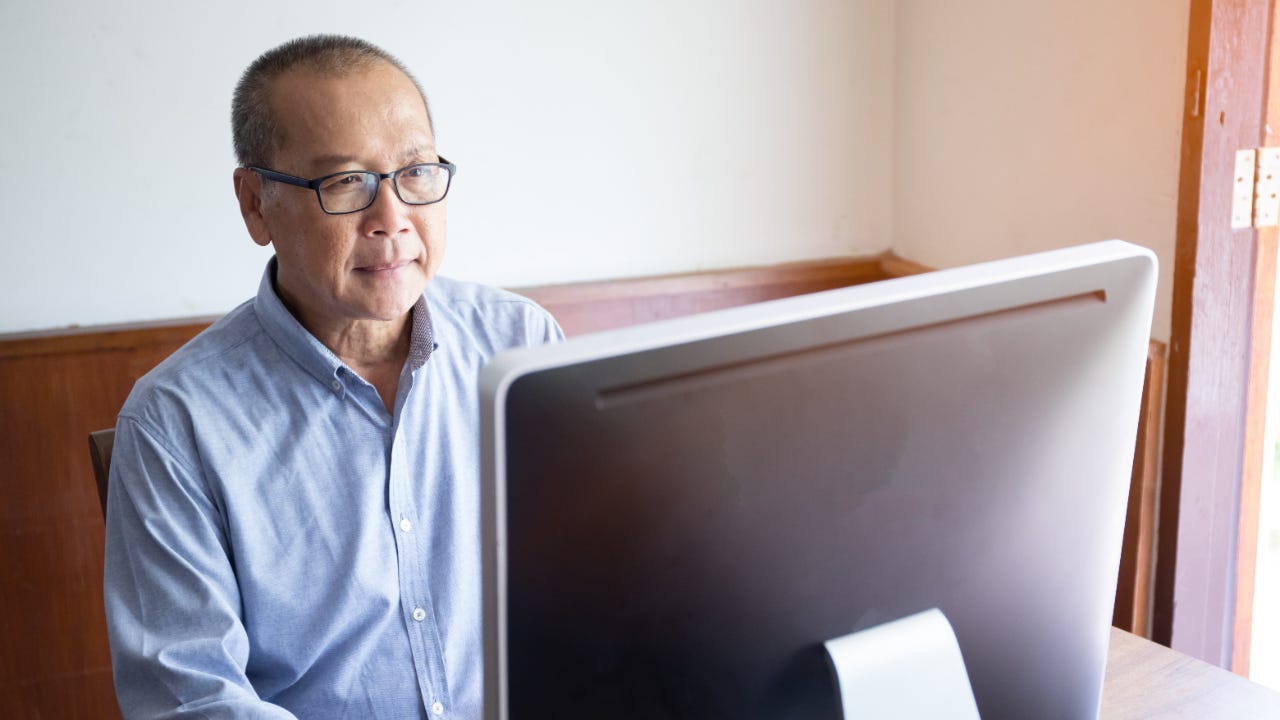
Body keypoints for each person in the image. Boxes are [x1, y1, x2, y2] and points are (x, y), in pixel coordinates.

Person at [103, 34, 563, 719]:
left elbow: (593, 581)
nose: (392, 220)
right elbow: (194, 699)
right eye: (346, 182)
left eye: (416, 172)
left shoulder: (520, 344)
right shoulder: (177, 423)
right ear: (255, 203)